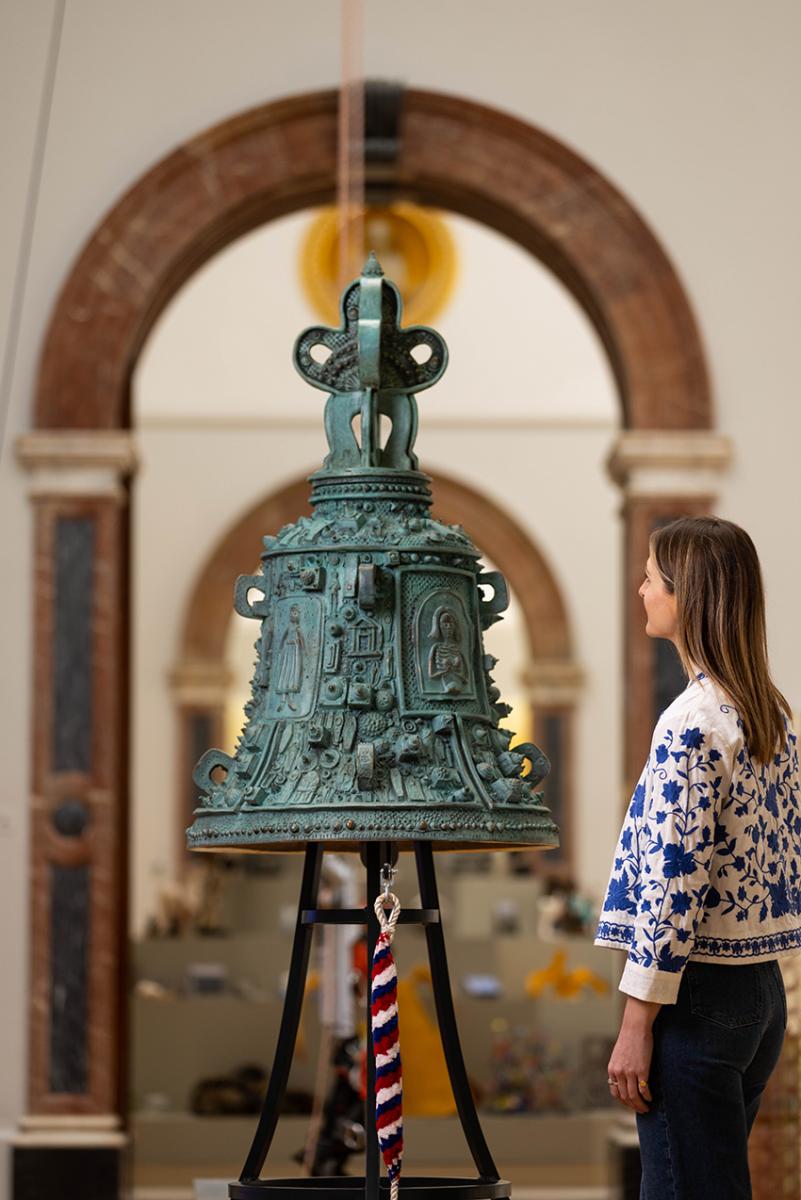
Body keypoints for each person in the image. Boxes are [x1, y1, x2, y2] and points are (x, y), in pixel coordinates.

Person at [595, 516, 801, 1199]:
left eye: (651, 578)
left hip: (694, 1000)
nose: (640, 589)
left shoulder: (691, 721)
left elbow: (671, 885)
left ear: (687, 596)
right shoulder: (768, 711)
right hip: (757, 994)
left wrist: (634, 1022)